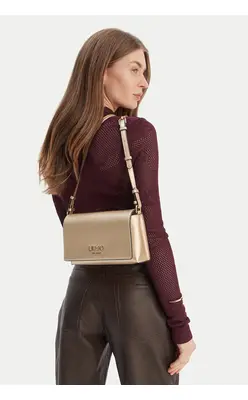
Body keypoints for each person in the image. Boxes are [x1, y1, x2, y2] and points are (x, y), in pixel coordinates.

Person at [38, 28, 196, 385]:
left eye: (146, 73)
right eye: (135, 69)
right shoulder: (136, 133)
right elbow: (152, 233)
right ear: (102, 70)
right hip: (135, 295)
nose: (144, 83)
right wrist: (180, 324)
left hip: (79, 298)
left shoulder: (60, 139)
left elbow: (69, 223)